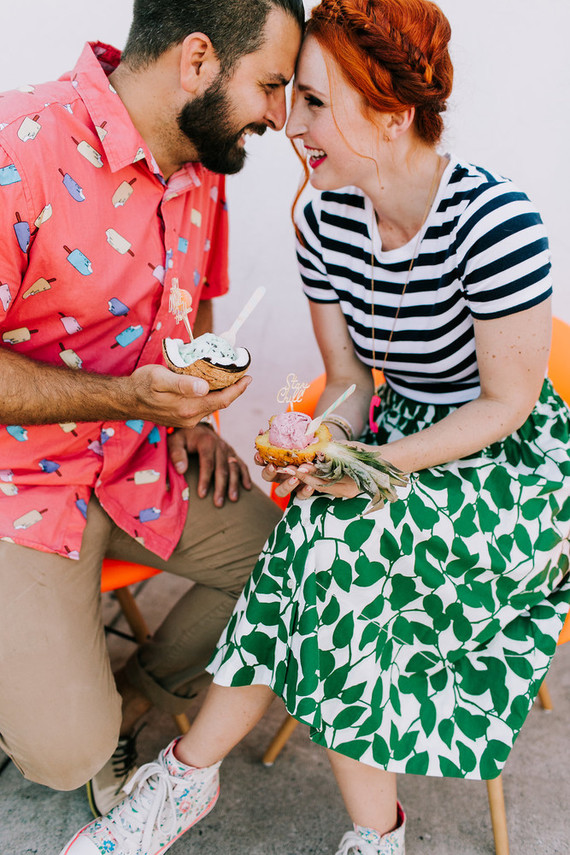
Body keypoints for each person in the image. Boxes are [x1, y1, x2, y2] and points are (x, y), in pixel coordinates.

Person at [58, 0, 570, 853]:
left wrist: (368, 462)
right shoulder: (324, 220)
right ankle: (370, 834)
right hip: (396, 431)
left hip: (506, 466)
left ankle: (184, 782)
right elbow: (349, 381)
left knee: (329, 551)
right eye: (291, 96)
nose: (289, 124)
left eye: (317, 103)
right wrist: (318, 441)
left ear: (395, 113)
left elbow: (505, 405)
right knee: (329, 543)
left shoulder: (497, 220)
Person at [0, 0, 303, 819]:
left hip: (146, 462)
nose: (280, 115)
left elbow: (197, 304)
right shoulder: (15, 145)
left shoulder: (206, 163)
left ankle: (134, 690)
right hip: (20, 488)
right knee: (66, 759)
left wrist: (198, 417)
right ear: (198, 60)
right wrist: (124, 396)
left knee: (289, 569)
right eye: (271, 84)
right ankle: (59, 685)